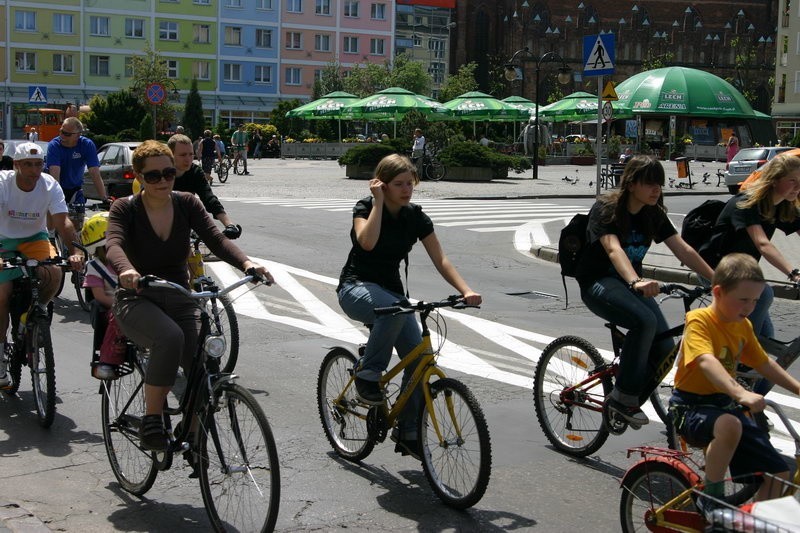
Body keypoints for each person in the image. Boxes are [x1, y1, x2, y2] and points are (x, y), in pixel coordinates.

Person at [106, 140, 273, 451]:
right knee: (169, 338)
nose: (163, 181)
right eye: (153, 176)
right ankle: (153, 419)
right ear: (138, 176)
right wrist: (127, 270)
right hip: (137, 297)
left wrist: (248, 263)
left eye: (168, 173)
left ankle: (195, 433)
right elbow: (113, 244)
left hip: (180, 295)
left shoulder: (186, 203)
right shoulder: (125, 208)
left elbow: (216, 240)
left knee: (203, 357)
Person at [336, 154, 482, 459]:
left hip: (391, 296)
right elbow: (367, 243)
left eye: (410, 184)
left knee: (420, 360)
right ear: (382, 185)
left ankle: (408, 431)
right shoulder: (365, 208)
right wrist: (377, 202)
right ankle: (368, 374)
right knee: (393, 308)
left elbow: (441, 259)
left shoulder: (416, 217)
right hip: (355, 288)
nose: (406, 190)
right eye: (398, 184)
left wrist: (465, 289)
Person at [576, 155, 715, 426]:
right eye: (650, 183)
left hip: (629, 284)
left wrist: (717, 280)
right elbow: (613, 248)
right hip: (598, 281)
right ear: (631, 183)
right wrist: (636, 281)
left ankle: (627, 393)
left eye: (659, 184)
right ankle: (622, 399)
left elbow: (683, 249)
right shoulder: (606, 208)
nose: (656, 190)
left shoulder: (653, 213)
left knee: (664, 346)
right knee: (645, 321)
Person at [669, 253, 800, 519]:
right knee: (731, 424)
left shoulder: (744, 325)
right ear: (718, 292)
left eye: (755, 300)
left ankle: (755, 523)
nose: (750, 306)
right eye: (743, 299)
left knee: (781, 475)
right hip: (690, 406)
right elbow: (706, 361)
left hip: (724, 407)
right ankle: (711, 498)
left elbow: (765, 364)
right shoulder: (699, 320)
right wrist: (741, 393)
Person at [0, 143, 84, 388]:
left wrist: (75, 251)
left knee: (54, 273)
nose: (34, 170)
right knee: (2, 296)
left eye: (38, 164)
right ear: (16, 165)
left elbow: (62, 222)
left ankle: (34, 315)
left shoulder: (49, 184)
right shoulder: (3, 183)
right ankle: (1, 359)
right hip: (3, 240)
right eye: (28, 164)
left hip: (34, 239)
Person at [707, 153, 800, 339]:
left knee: (765, 337)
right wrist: (794, 274)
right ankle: (735, 352)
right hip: (715, 268)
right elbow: (762, 244)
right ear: (774, 180)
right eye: (792, 180)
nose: (798, 187)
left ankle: (742, 355)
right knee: (764, 294)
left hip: (743, 272)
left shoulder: (782, 205)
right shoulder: (746, 203)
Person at [166, 134, 242, 238]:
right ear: (170, 155)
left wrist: (229, 224)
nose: (188, 159)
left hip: (185, 219)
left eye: (191, 154)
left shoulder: (195, 172)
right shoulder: (160, 173)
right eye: (183, 155)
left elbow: (209, 197)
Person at [80, 211, 119, 380]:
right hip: (113, 307)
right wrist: (121, 304)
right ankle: (107, 359)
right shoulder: (95, 267)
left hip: (135, 301)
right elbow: (100, 296)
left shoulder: (130, 259)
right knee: (117, 318)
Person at [46, 117, 107, 204]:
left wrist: (104, 198)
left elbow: (95, 173)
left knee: (79, 214)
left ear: (78, 135)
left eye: (67, 134)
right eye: (61, 131)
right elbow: (55, 176)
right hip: (57, 187)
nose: (62, 136)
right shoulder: (54, 146)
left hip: (76, 189)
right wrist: (58, 201)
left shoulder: (87, 145)